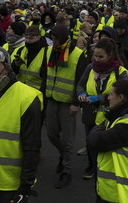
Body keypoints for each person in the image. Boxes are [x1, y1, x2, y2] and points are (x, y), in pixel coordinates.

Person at [0, 47, 42, 203]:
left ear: (6, 68)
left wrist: (25, 187)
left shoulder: (27, 97)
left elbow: (32, 147)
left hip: (10, 186)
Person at [88, 80, 128, 203]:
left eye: (111, 94)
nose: (108, 98)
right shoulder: (123, 115)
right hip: (112, 190)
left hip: (119, 194)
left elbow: (95, 140)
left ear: (121, 98)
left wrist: (100, 127)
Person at [77, 37, 128, 180]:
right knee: (90, 143)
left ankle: (104, 171)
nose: (97, 59)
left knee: (105, 147)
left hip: (108, 117)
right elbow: (80, 84)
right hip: (89, 115)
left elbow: (122, 96)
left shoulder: (121, 72)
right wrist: (81, 93)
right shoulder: (90, 68)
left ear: (110, 55)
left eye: (101, 56)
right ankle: (92, 166)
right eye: (95, 56)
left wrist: (99, 99)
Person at [45, 24, 88, 188]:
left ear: (62, 38)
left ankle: (66, 170)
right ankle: (64, 155)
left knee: (68, 140)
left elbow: (81, 81)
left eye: (55, 39)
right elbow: (46, 75)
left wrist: (76, 103)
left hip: (68, 103)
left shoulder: (77, 55)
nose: (53, 42)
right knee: (51, 135)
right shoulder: (50, 52)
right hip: (52, 99)